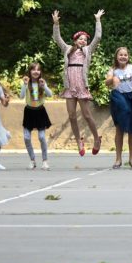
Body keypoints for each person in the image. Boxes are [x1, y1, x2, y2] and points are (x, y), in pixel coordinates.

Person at [52, 9, 104, 156]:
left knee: (87, 115)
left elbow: (98, 37)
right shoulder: (68, 49)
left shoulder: (87, 51)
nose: (83, 41)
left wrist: (98, 20)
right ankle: (78, 141)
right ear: (75, 40)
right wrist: (56, 23)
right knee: (72, 115)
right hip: (70, 87)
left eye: (85, 39)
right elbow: (57, 38)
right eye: (80, 39)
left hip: (81, 85)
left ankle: (96, 139)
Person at [106, 47, 132, 169]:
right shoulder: (113, 70)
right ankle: (118, 159)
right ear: (116, 57)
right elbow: (107, 82)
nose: (123, 57)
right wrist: (112, 79)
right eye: (120, 55)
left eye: (125, 55)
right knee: (119, 129)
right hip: (119, 100)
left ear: (128, 57)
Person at [21, 62, 53, 170]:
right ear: (29, 72)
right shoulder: (27, 83)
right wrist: (25, 85)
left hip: (40, 111)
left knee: (42, 137)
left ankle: (45, 161)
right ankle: (32, 160)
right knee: (26, 137)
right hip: (29, 112)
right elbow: (21, 97)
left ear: (40, 72)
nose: (36, 71)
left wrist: (44, 87)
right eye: (33, 69)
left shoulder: (42, 82)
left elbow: (50, 95)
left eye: (38, 70)